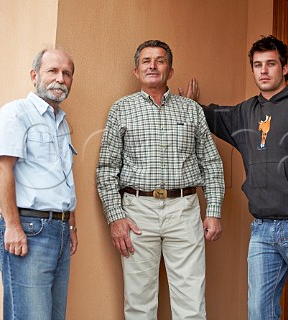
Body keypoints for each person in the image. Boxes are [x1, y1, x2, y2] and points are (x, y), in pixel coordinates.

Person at [181, 35, 288, 319]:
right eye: (258, 65)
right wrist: (193, 106)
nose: (264, 70)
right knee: (259, 311)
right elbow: (217, 116)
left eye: (271, 63)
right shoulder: (247, 112)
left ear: (284, 67)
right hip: (262, 230)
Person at [96, 40, 225, 320]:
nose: (152, 65)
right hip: (137, 212)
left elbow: (212, 163)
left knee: (191, 301)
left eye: (160, 60)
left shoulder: (191, 110)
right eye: (146, 61)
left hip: (184, 209)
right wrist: (115, 217)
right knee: (139, 303)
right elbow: (106, 168)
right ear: (136, 71)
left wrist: (213, 211)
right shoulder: (121, 109)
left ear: (170, 70)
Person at [0, 49, 78, 320]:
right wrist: (13, 226)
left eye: (67, 74)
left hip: (59, 230)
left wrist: (70, 223)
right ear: (34, 75)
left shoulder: (61, 122)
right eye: (52, 71)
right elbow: (2, 169)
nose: (60, 79)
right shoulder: (16, 113)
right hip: (29, 230)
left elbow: (62, 178)